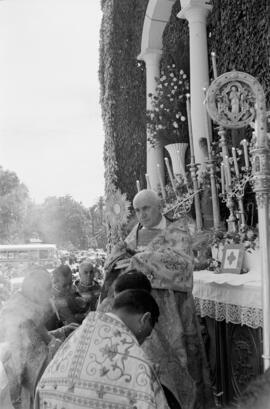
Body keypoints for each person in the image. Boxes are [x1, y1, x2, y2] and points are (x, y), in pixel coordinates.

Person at [101, 189, 213, 409]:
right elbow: (115, 262)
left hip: (172, 310)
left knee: (178, 365)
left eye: (146, 208)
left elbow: (183, 265)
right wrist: (119, 259)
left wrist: (142, 260)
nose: (141, 214)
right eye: (137, 210)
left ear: (159, 206)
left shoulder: (177, 231)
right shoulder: (133, 235)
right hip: (137, 312)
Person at [35, 289, 170, 409]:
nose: (142, 342)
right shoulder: (138, 363)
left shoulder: (79, 334)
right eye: (147, 334)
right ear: (145, 319)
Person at [0, 266, 74, 409]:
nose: (51, 293)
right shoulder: (21, 317)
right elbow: (41, 364)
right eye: (48, 288)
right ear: (35, 291)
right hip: (24, 396)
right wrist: (67, 344)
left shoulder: (25, 307)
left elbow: (39, 337)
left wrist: (62, 331)